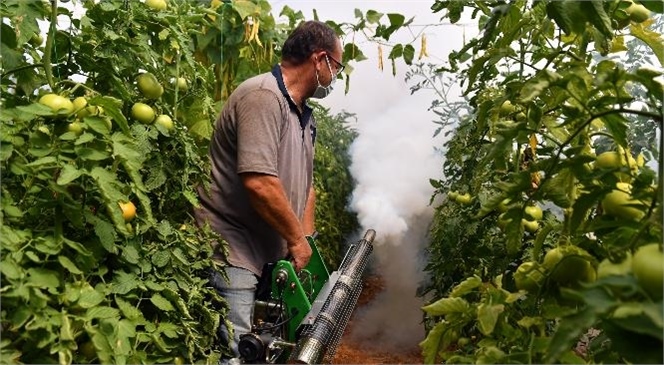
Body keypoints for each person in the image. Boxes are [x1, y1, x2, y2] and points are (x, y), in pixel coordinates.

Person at [194, 20, 345, 362]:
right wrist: (295, 239)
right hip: (233, 247)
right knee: (239, 350)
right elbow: (259, 182)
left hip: (266, 249)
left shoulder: (304, 115)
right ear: (319, 59)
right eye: (336, 66)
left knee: (269, 342)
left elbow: (306, 188)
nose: (335, 76)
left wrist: (305, 243)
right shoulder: (263, 97)